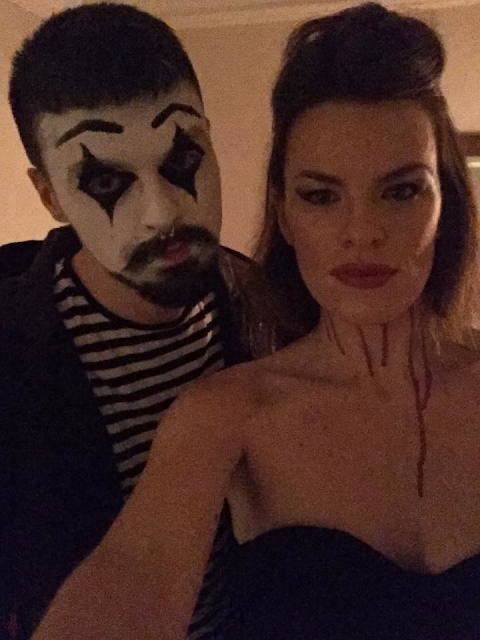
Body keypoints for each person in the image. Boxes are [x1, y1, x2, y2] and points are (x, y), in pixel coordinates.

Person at [33, 3, 480, 639]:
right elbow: (138, 576)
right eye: (320, 195)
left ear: (446, 203)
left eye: (402, 190)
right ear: (285, 215)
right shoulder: (223, 415)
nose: (362, 232)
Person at [0, 3, 281, 639]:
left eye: (183, 157)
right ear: (49, 195)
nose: (161, 212)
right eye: (105, 181)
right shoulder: (12, 361)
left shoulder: (270, 305)